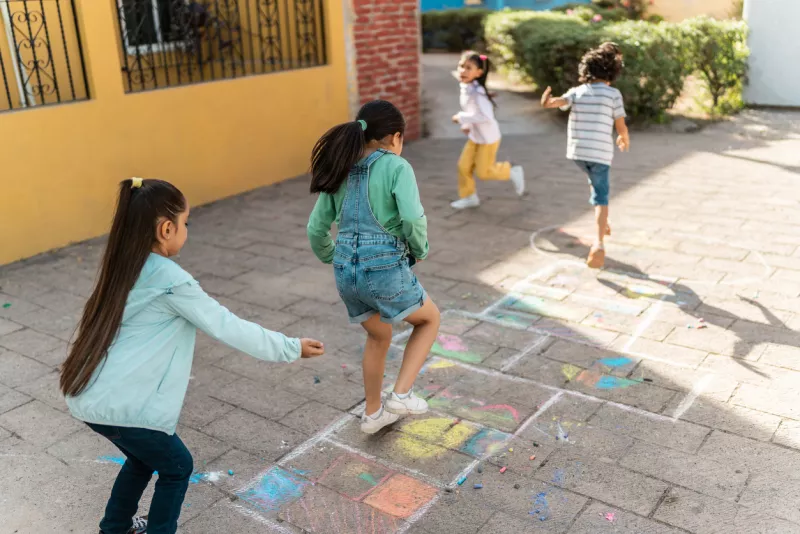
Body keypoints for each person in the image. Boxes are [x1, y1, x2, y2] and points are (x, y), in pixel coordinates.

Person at [60, 178, 324, 534]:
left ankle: (115, 527)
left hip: (90, 396)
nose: (185, 230)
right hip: (123, 406)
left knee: (142, 459)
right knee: (177, 466)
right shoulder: (171, 280)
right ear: (166, 229)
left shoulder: (123, 265)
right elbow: (227, 326)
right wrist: (290, 347)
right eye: (185, 224)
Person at [307, 100, 441, 434]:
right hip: (382, 267)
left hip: (346, 273)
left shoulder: (341, 167)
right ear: (395, 137)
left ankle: (373, 413)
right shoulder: (397, 167)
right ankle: (401, 395)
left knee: (378, 336)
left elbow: (316, 229)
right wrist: (420, 249)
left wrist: (333, 257)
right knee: (429, 319)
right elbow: (411, 217)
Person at [540, 42, 630, 269]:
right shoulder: (613, 94)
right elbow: (621, 125)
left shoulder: (577, 92)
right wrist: (623, 138)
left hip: (578, 153)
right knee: (602, 197)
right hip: (600, 154)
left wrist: (547, 101)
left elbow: (556, 103)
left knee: (594, 182)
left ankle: (604, 222)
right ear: (613, 72)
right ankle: (598, 243)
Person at [450, 51, 525, 210]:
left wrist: (461, 117)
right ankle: (469, 197)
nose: (463, 70)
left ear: (479, 73)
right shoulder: (468, 88)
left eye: (468, 68)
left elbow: (485, 117)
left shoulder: (478, 93)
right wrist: (467, 126)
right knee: (463, 167)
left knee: (484, 172)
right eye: (461, 66)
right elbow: (474, 113)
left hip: (488, 139)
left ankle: (511, 169)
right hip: (475, 137)